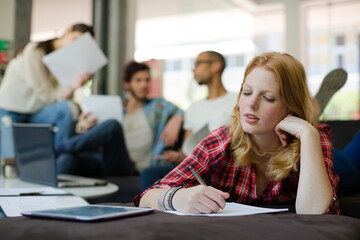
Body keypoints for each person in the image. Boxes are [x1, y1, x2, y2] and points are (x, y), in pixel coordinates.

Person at [135, 52, 339, 215]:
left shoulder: (312, 135)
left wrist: (307, 131)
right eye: (247, 92)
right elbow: (145, 198)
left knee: (351, 168)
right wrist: (176, 198)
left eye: (267, 98)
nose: (251, 104)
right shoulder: (220, 141)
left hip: (326, 163)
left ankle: (314, 111)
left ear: (290, 107)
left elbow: (315, 215)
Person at [56, 60, 184, 176]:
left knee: (113, 125)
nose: (144, 85)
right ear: (126, 84)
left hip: (129, 167)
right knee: (66, 160)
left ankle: (57, 148)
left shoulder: (157, 106)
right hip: (105, 159)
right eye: (138, 80)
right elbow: (98, 137)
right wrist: (82, 128)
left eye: (147, 80)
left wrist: (177, 118)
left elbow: (181, 110)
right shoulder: (116, 109)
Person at [140, 51, 237, 189]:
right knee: (149, 174)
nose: (193, 69)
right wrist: (178, 155)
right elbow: (186, 149)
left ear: (216, 66)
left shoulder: (236, 101)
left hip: (223, 166)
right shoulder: (194, 107)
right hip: (197, 167)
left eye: (198, 63)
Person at [0, 23, 93, 159]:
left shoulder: (66, 61)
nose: (75, 46)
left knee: (69, 108)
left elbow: (60, 97)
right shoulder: (34, 50)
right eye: (75, 39)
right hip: (11, 110)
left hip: (35, 112)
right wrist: (69, 88)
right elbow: (46, 94)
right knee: (11, 163)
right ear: (68, 31)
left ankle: (60, 160)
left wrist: (75, 85)